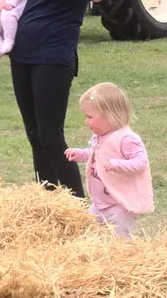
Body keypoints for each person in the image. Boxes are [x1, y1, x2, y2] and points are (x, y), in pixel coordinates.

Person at [9, 0, 107, 197]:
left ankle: (76, 206)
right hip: (21, 54)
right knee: (34, 134)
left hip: (54, 56)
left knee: (51, 135)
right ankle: (47, 205)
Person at [65, 82, 152, 239]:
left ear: (110, 115)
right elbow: (96, 154)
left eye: (90, 117)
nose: (86, 121)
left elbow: (141, 163)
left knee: (120, 240)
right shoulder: (102, 137)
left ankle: (127, 259)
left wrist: (116, 164)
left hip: (118, 205)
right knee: (86, 232)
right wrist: (80, 154)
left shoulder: (127, 139)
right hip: (100, 204)